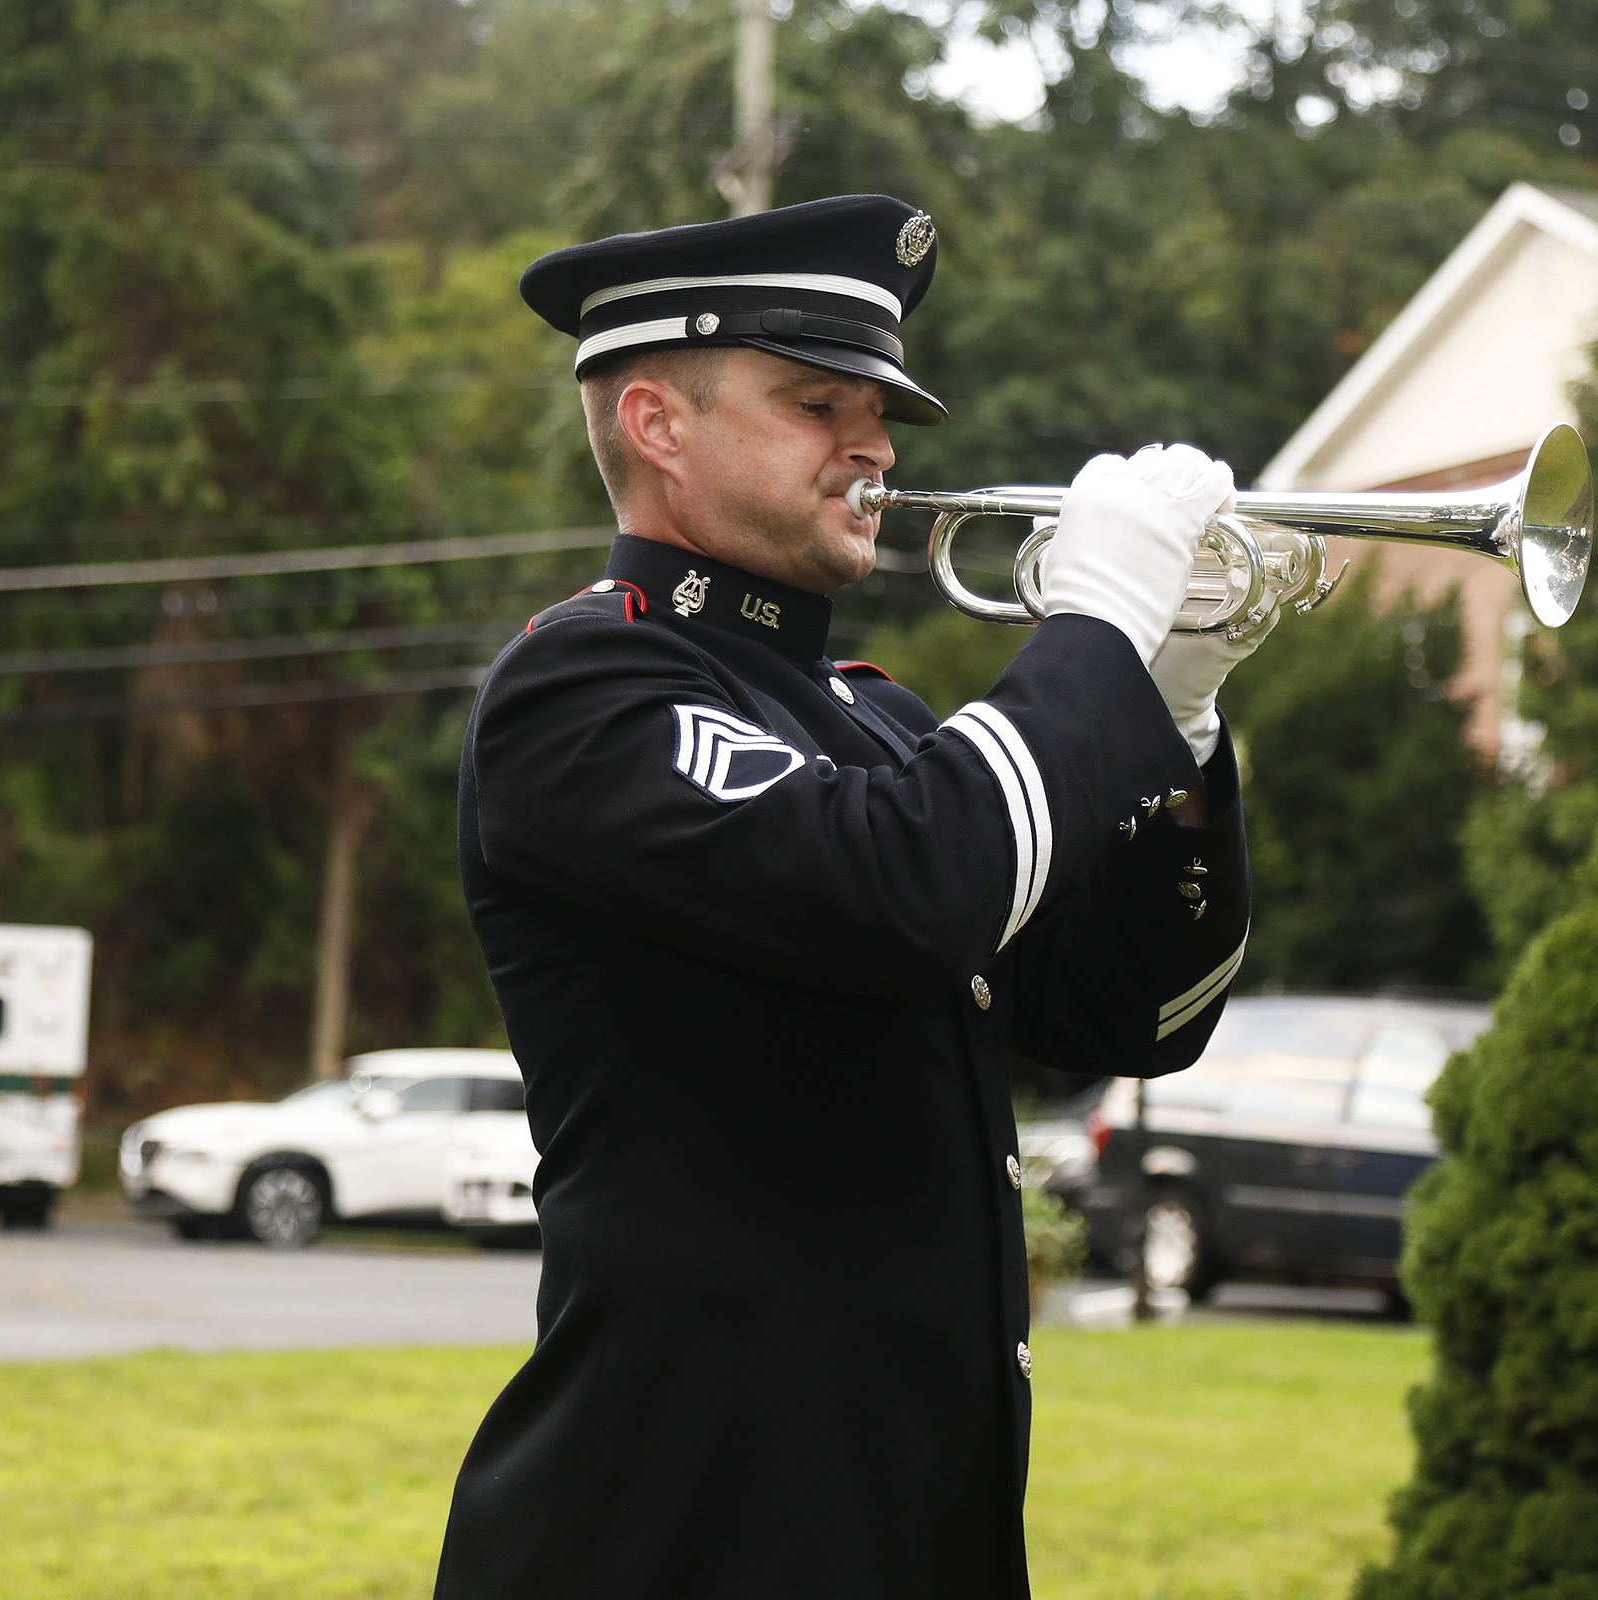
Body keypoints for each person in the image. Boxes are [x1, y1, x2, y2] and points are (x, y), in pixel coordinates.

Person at [436, 194, 1279, 1600]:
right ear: (658, 424)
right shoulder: (583, 690)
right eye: (816, 401)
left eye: (877, 409)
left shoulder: (880, 729)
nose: (874, 445)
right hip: (674, 1535)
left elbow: (1128, 1015)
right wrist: (1092, 641)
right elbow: (909, 887)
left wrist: (1173, 718)